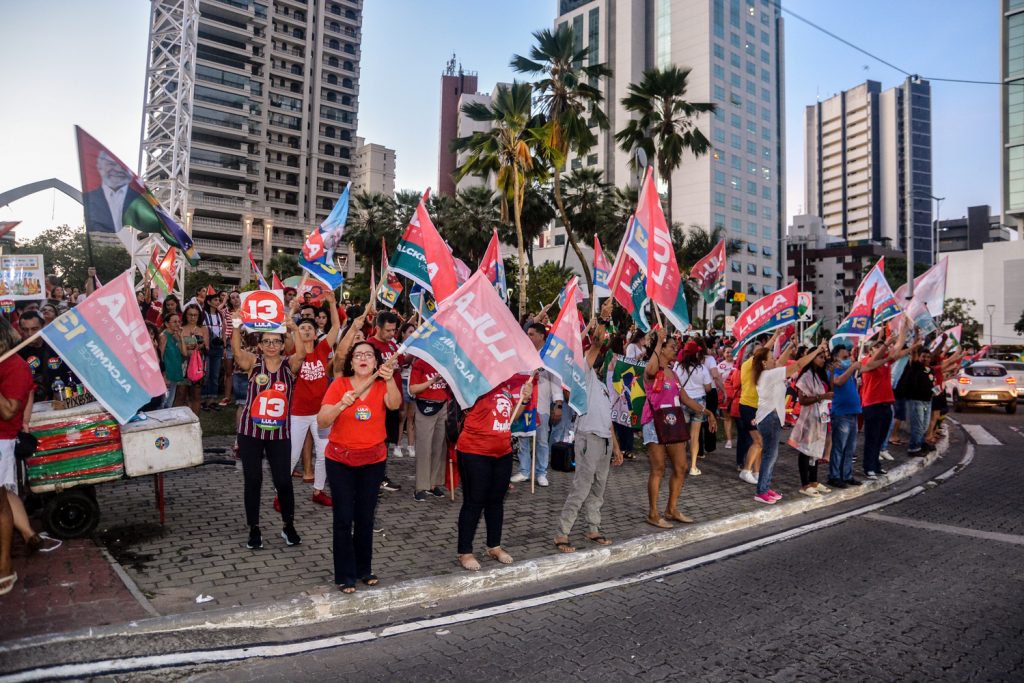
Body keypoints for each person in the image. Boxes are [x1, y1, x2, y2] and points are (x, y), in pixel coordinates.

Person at [317, 341, 401, 592]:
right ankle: (345, 574)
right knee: (344, 518)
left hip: (373, 461)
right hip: (340, 460)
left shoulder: (381, 384)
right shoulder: (339, 385)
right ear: (351, 362)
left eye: (369, 355)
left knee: (365, 517)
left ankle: (364, 569)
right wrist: (342, 404)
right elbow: (322, 421)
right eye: (358, 355)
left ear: (376, 361)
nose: (363, 358)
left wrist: (390, 380)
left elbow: (395, 405)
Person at [553, 318, 622, 553]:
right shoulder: (586, 377)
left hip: (603, 442)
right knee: (581, 488)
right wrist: (603, 319)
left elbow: (608, 420)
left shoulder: (602, 387)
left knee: (598, 490)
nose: (611, 361)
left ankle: (593, 528)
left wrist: (616, 447)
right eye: (609, 357)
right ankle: (562, 533)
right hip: (588, 439)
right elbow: (594, 344)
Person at [230, 317, 300, 550]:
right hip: (251, 431)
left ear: (283, 345)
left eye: (276, 341)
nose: (271, 345)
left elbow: (302, 353)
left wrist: (294, 328)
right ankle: (254, 528)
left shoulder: (289, 365)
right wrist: (238, 324)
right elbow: (236, 350)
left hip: (279, 434)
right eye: (266, 341)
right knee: (253, 480)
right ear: (259, 344)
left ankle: (288, 525)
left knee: (283, 480)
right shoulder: (253, 362)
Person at [1, 317, 59, 595]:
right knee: (6, 495)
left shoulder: (15, 364)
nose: (30, 333)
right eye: (25, 329)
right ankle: (27, 534)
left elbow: (12, 407)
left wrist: (24, 418)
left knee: (2, 499)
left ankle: (5, 567)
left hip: (3, 437)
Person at [455, 376, 533, 572]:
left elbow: (511, 418)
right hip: (474, 451)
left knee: (496, 501)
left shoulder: (505, 387)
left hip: (502, 452)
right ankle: (465, 552)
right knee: (474, 501)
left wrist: (523, 400)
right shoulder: (474, 384)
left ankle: (494, 546)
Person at [642, 328, 717, 528]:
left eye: (676, 347)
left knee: (681, 467)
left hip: (673, 423)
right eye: (672, 347)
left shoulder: (673, 373)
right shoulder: (652, 370)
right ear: (661, 349)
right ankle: (653, 513)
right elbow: (650, 370)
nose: (676, 350)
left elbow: (684, 398)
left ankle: (671, 509)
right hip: (654, 422)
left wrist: (706, 412)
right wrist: (658, 341)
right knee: (658, 468)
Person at [751, 341, 827, 504]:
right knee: (769, 456)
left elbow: (780, 362)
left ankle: (765, 487)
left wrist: (789, 345)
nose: (774, 359)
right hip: (769, 419)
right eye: (771, 357)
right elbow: (798, 364)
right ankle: (761, 491)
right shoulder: (769, 375)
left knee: (772, 455)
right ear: (764, 362)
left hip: (771, 419)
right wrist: (817, 350)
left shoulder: (769, 372)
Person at [286, 290, 341, 507]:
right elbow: (288, 327)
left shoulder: (321, 350)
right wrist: (291, 316)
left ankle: (318, 491)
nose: (306, 330)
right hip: (299, 414)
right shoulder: (294, 357)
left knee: (323, 453)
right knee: (292, 456)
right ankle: (281, 493)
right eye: (303, 328)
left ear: (315, 332)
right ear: (297, 333)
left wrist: (333, 303)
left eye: (310, 327)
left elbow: (335, 328)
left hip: (321, 414)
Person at [510, 323, 560, 488]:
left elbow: (555, 380)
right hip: (524, 405)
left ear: (541, 336)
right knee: (522, 437)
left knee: (542, 441)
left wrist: (558, 404)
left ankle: (541, 472)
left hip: (542, 406)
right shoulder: (522, 354)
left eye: (531, 334)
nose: (528, 337)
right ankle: (524, 471)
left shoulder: (549, 356)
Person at [860, 328, 914, 478]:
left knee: (880, 439)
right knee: (872, 438)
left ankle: (876, 465)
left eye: (881, 346)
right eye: (876, 347)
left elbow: (898, 349)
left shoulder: (886, 362)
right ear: (870, 350)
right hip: (872, 405)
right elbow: (872, 361)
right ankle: (868, 467)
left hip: (886, 404)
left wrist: (905, 325)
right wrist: (886, 345)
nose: (880, 348)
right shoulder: (866, 362)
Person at [365, 311, 403, 491]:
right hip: (378, 401)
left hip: (392, 400)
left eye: (394, 330)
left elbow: (402, 363)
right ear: (377, 328)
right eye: (388, 330)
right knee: (377, 440)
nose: (391, 334)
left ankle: (380, 475)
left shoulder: (392, 345)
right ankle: (374, 476)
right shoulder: (370, 346)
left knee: (386, 440)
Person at [788, 350, 833, 496]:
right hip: (809, 418)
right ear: (812, 358)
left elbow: (830, 391)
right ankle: (805, 484)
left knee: (816, 449)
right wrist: (821, 396)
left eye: (824, 358)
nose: (823, 360)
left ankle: (813, 481)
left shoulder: (819, 376)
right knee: (805, 450)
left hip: (820, 416)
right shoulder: (806, 376)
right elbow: (802, 400)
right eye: (820, 357)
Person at [408, 358, 452, 501]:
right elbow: (413, 389)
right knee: (424, 447)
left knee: (439, 447)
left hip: (443, 405)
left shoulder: (446, 363)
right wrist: (432, 381)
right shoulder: (420, 363)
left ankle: (433, 484)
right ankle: (421, 486)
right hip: (425, 406)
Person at [827, 343, 863, 489]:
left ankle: (846, 475)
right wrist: (852, 367)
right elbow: (838, 382)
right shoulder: (833, 371)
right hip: (841, 414)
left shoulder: (848, 372)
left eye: (848, 357)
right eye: (844, 357)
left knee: (850, 448)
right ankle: (834, 476)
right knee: (839, 447)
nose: (848, 359)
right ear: (836, 358)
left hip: (853, 413)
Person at [675, 340, 713, 477]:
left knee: (682, 436)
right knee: (694, 436)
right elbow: (708, 388)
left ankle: (681, 463)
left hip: (683, 401)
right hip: (699, 403)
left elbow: (674, 384)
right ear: (696, 353)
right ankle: (693, 466)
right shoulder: (701, 368)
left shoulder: (677, 367)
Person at [897, 347, 937, 457]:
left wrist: (934, 391)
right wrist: (916, 343)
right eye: (923, 356)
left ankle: (921, 443)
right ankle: (913, 448)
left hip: (927, 401)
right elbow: (914, 354)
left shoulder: (931, 370)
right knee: (918, 426)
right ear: (919, 357)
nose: (926, 359)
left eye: (928, 357)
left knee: (924, 426)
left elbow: (932, 383)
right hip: (916, 401)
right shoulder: (915, 367)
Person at [180, 304, 208, 416]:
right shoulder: (180, 328)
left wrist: (200, 346)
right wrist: (185, 347)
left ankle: (195, 420)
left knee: (196, 394)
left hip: (198, 365)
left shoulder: (203, 329)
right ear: (185, 315)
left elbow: (207, 346)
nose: (193, 317)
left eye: (195, 315)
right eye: (190, 315)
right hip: (183, 365)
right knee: (181, 394)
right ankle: (183, 421)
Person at [200, 295, 226, 412]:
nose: (217, 302)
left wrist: (224, 346)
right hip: (207, 347)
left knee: (215, 375)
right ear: (209, 302)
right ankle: (202, 400)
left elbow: (224, 331)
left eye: (218, 300)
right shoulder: (203, 314)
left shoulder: (220, 315)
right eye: (215, 300)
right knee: (206, 374)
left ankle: (212, 400)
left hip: (218, 347)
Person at [396, 322, 418, 458]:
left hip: (413, 382)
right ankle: (398, 445)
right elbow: (403, 363)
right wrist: (413, 352)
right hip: (402, 381)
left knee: (411, 416)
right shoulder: (398, 347)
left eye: (414, 331)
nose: (412, 334)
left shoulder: (417, 347)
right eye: (410, 331)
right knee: (402, 416)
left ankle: (410, 445)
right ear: (403, 333)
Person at [159, 313, 187, 409]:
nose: (178, 324)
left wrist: (181, 337)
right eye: (174, 322)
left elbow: (184, 353)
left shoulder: (175, 336)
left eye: (179, 321)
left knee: (170, 401)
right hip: (167, 373)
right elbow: (160, 356)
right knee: (164, 402)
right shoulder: (164, 336)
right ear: (167, 324)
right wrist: (163, 373)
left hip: (175, 371)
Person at [716, 346, 736, 449]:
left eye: (731, 352)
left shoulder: (738, 364)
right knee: (727, 418)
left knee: (738, 418)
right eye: (727, 352)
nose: (729, 354)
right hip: (726, 395)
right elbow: (717, 380)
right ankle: (729, 440)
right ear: (723, 354)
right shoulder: (720, 366)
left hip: (737, 395)